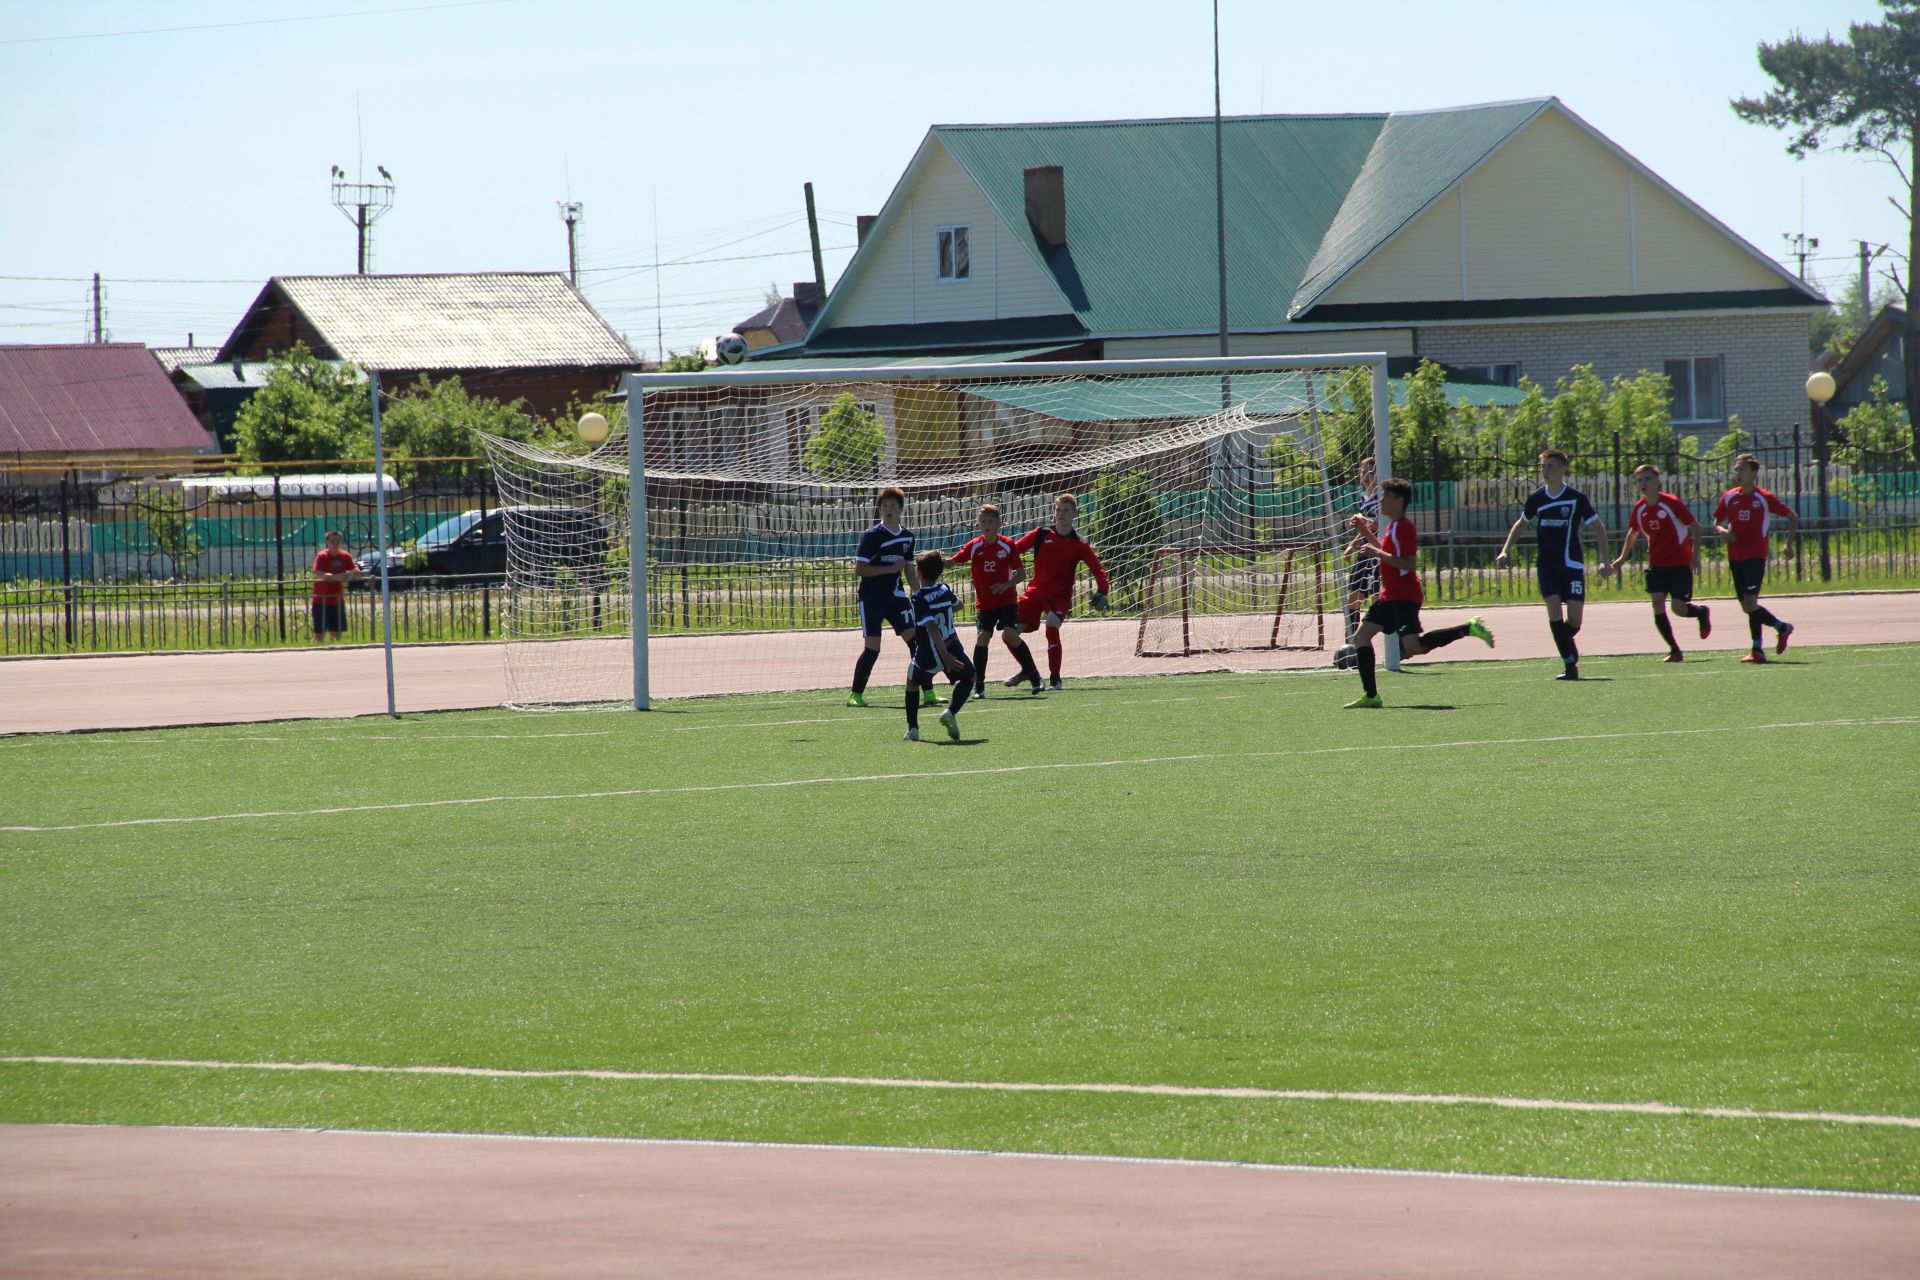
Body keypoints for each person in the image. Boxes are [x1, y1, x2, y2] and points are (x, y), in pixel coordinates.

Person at [1344, 478, 1494, 708]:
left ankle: (1469, 628)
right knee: (1361, 638)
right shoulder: (1393, 527)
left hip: (1404, 597)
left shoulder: (1404, 527)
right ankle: (1371, 695)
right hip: (1389, 596)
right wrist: (1364, 530)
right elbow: (1385, 553)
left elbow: (1409, 564)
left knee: (1414, 648)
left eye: (1386, 497)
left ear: (1399, 501)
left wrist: (1375, 551)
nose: (1381, 501)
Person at [1495, 449, 1613, 681]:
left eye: (1549, 466)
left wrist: (1605, 559)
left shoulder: (1577, 498)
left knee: (1575, 621)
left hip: (1572, 565)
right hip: (1547, 566)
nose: (1545, 471)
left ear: (1562, 469)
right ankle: (1570, 665)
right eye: (1543, 466)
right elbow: (1521, 523)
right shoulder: (1536, 498)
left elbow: (1599, 527)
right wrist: (1505, 550)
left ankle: (1566, 644)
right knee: (1554, 613)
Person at [1003, 493, 1111, 692]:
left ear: (1074, 514)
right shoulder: (1041, 534)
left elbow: (1098, 569)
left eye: (1066, 510)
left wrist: (1103, 591)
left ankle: (1055, 679)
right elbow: (1014, 549)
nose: (1061, 514)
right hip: (1034, 592)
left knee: (1051, 627)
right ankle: (1028, 671)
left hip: (1058, 597)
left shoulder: (1079, 544)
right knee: (1008, 634)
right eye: (1058, 509)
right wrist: (997, 557)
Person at [1609, 465, 1712, 663]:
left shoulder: (1671, 503)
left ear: (1657, 482)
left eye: (1647, 479)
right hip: (1657, 564)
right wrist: (1622, 558)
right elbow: (1633, 532)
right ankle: (1674, 649)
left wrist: (1695, 556)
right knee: (1657, 604)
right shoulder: (1640, 508)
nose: (1643, 484)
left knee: (1678, 608)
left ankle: (1701, 612)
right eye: (1639, 480)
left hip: (1679, 564)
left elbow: (1696, 527)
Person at [847, 487, 935, 709]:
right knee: (873, 648)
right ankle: (855, 694)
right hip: (872, 598)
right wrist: (887, 569)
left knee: (916, 643)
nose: (888, 509)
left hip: (896, 597)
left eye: (893, 505)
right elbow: (860, 569)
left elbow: (908, 571)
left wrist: (919, 595)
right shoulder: (872, 536)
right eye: (884, 505)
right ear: (879, 509)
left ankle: (929, 692)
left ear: (901, 509)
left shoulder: (907, 537)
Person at [949, 503, 1044, 698]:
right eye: (983, 521)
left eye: (991, 521)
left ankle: (1034, 677)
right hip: (985, 604)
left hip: (1006, 601)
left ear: (999, 523)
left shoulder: (1007, 544)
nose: (987, 524)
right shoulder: (974, 546)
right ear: (978, 525)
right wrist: (933, 560)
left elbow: (1020, 574)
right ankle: (980, 686)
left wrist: (1004, 585)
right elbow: (952, 561)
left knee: (1010, 634)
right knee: (983, 638)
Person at [1713, 453, 1798, 664]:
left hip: (1755, 556)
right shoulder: (1730, 496)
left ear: (1753, 473)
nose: (1738, 473)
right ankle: (1770, 638)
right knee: (1747, 606)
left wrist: (1788, 543)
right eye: (1737, 470)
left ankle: (1766, 641)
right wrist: (1722, 530)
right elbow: (1717, 519)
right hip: (1735, 556)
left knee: (1751, 603)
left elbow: (1791, 516)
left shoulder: (1763, 498)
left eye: (1742, 469)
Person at [905, 551, 975, 742]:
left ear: (918, 572)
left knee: (912, 683)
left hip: (930, 652)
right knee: (969, 677)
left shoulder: (919, 597)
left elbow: (931, 627)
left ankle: (913, 729)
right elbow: (959, 605)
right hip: (952, 647)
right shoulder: (944, 589)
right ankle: (951, 712)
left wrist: (943, 655)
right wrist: (943, 608)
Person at [311, 529, 359, 643]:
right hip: (321, 600)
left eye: (337, 540)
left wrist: (353, 574)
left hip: (337, 600)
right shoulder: (322, 556)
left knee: (336, 634)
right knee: (319, 634)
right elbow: (319, 573)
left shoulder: (345, 556)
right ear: (327, 542)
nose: (335, 543)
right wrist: (337, 577)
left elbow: (355, 572)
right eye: (332, 540)